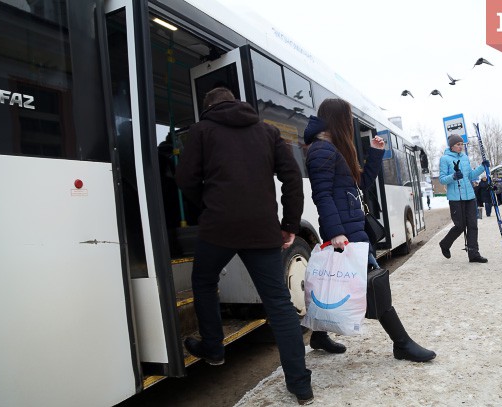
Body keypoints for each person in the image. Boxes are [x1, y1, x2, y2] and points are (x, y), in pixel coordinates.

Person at [175, 87, 313, 404]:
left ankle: (213, 348)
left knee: (204, 281)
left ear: (207, 107)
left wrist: (208, 205)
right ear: (237, 102)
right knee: (278, 303)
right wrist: (290, 225)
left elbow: (184, 179)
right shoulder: (267, 131)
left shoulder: (201, 131)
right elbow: (292, 176)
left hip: (217, 228)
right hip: (261, 229)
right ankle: (300, 385)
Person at [304, 98, 435, 362]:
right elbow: (322, 196)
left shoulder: (332, 149)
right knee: (376, 285)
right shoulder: (321, 151)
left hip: (352, 229)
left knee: (343, 285)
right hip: (345, 234)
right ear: (338, 119)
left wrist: (374, 154)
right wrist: (336, 232)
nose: (350, 124)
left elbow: (359, 186)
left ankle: (318, 336)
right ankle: (402, 343)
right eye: (347, 118)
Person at [438, 134, 488, 263]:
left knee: (473, 225)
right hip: (455, 198)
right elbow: (442, 179)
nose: (461, 147)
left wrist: (482, 167)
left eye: (462, 144)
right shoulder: (445, 159)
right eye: (458, 145)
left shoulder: (465, 158)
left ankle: (474, 254)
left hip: (470, 196)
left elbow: (470, 175)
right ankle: (445, 244)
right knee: (460, 225)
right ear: (452, 146)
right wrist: (453, 176)